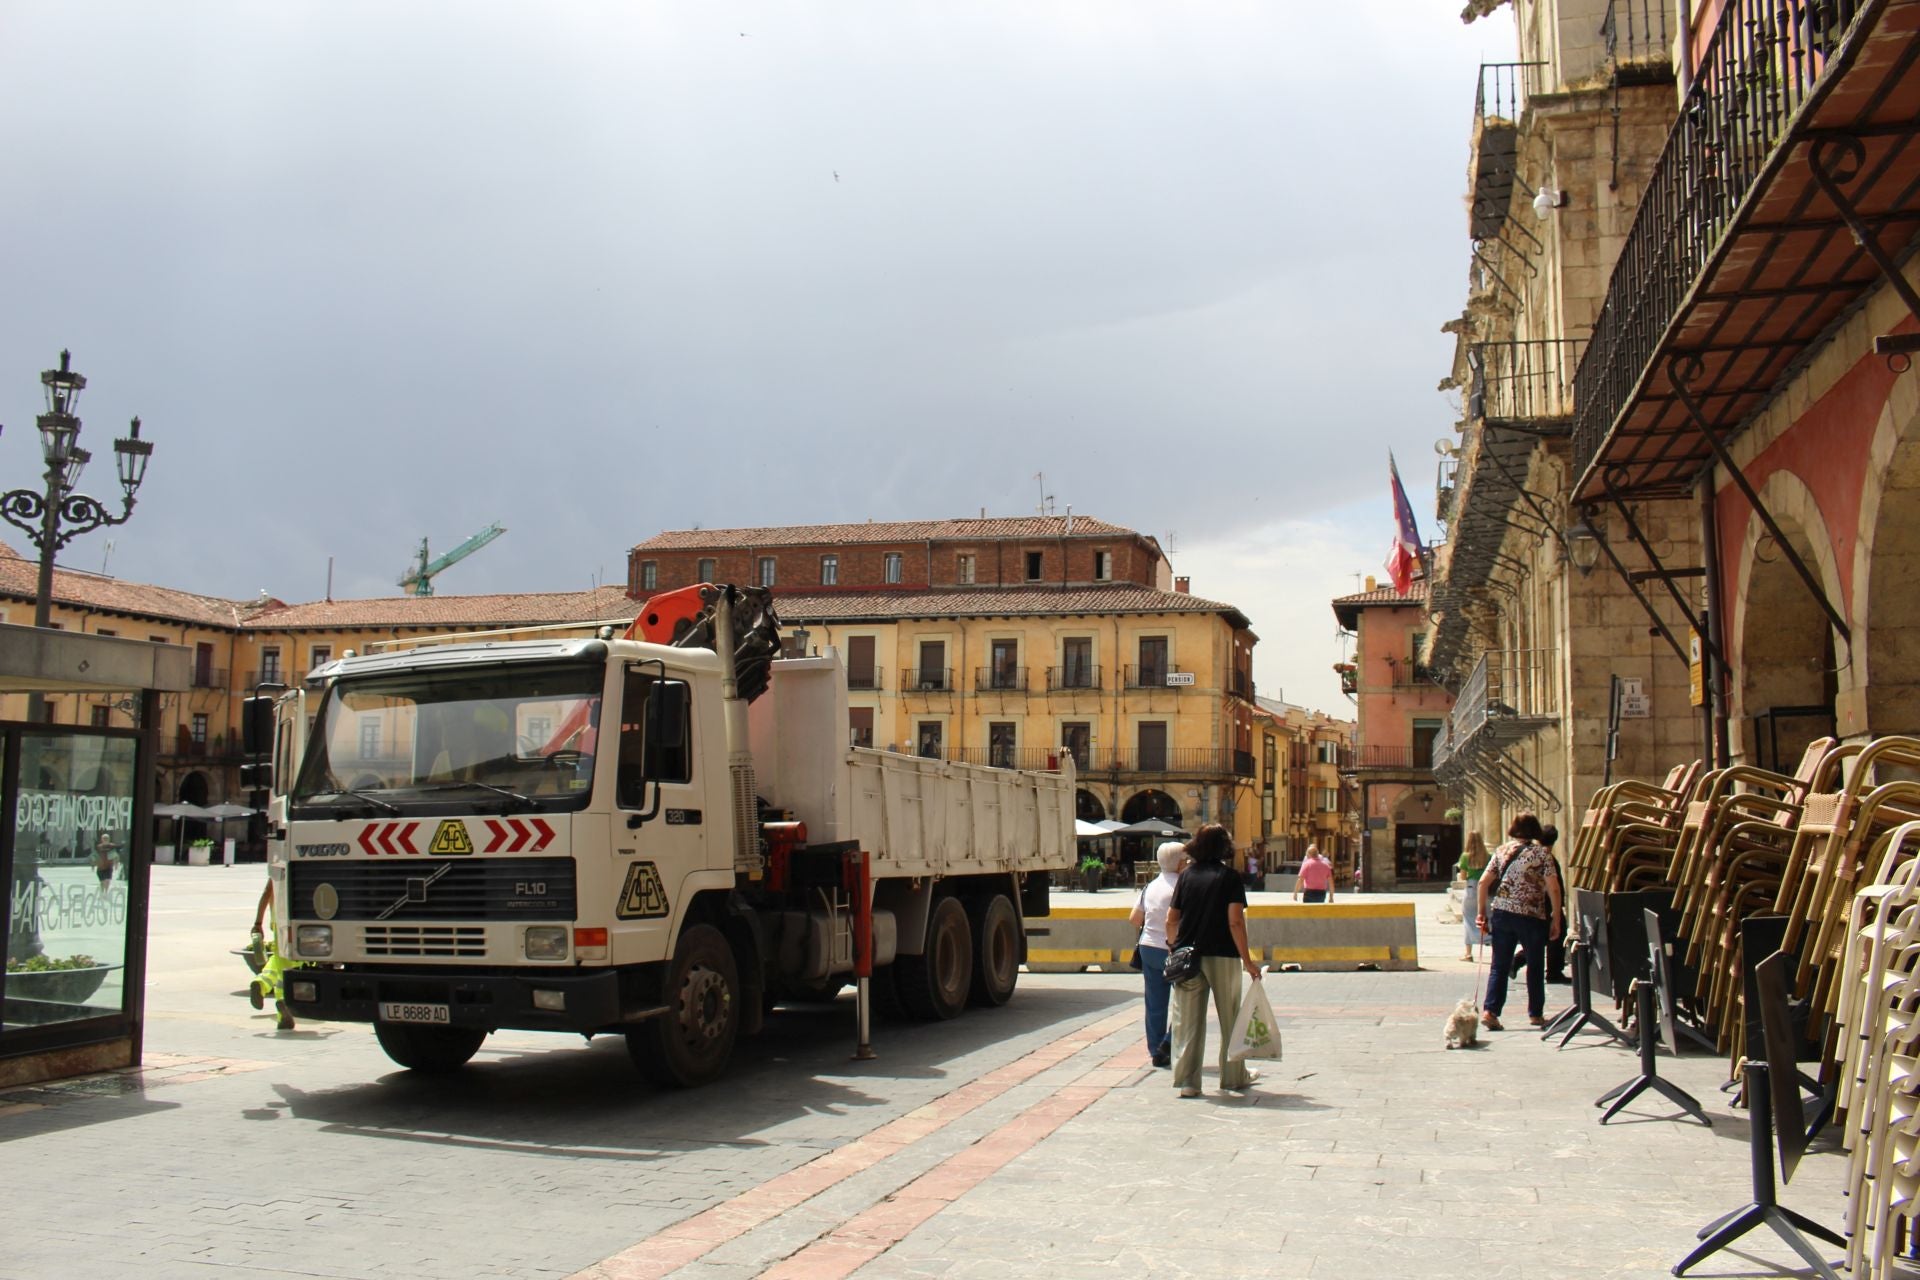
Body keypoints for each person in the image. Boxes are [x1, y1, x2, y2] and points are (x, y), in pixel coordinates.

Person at [1165, 823, 1263, 1098]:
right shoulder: (1229, 877)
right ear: (1224, 847)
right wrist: (1248, 960)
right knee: (1230, 1018)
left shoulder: (1185, 877)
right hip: (1223, 955)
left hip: (1188, 956)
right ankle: (1233, 1077)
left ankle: (1188, 1082)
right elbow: (1235, 922)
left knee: (1188, 1021)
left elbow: (1171, 919)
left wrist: (1173, 947)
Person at [1476, 812, 1563, 1031]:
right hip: (1531, 915)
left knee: (1499, 965)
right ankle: (1535, 1013)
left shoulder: (1501, 851)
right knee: (1535, 964)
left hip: (1503, 913)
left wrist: (1481, 913)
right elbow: (1553, 887)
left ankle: (1490, 1011)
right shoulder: (1542, 854)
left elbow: (1483, 883)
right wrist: (1556, 917)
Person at [1128, 841, 1188, 1068]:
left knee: (1155, 1003)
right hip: (1172, 948)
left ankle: (1155, 1050)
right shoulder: (1182, 886)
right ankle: (1168, 1043)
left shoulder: (1150, 886)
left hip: (1148, 947)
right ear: (1180, 863)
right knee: (1185, 1000)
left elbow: (1134, 918)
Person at [249, 878, 299, 1031]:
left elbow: (266, 894)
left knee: (279, 961)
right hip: (298, 920)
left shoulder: (277, 870)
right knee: (297, 965)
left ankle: (262, 982)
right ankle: (285, 1004)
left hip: (278, 923)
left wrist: (257, 923)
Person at [1540, 823, 1569, 983]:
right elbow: (1554, 887)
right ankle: (1554, 971)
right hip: (1550, 904)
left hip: (1541, 904)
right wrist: (1557, 910)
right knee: (1556, 936)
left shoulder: (1536, 855)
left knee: (1545, 936)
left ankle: (1516, 962)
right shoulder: (1547, 857)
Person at [1457, 831, 1490, 960]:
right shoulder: (1488, 856)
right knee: (1487, 918)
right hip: (1485, 888)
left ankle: (1468, 953)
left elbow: (1463, 876)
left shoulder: (1465, 856)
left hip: (1471, 888)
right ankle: (1493, 948)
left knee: (1468, 919)